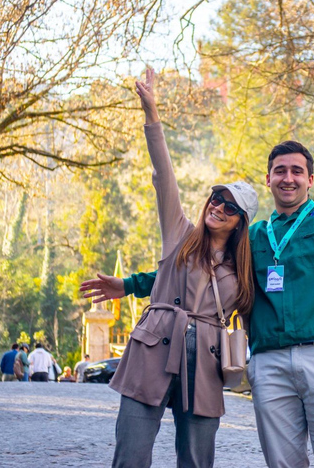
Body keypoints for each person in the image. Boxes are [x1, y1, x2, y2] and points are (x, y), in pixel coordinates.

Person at [126, 79, 314, 467]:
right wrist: (128, 284)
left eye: (296, 171)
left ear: (310, 180)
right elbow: (194, 271)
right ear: (269, 180)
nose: (288, 177)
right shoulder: (251, 238)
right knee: (283, 463)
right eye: (279, 171)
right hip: (269, 362)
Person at [78, 67, 259, 468]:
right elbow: (164, 176)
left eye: (229, 207)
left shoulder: (244, 268)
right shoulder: (179, 233)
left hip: (207, 361)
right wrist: (152, 115)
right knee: (131, 455)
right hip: (154, 345)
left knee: (196, 460)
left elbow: (259, 314)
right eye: (216, 198)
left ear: (240, 222)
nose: (218, 207)